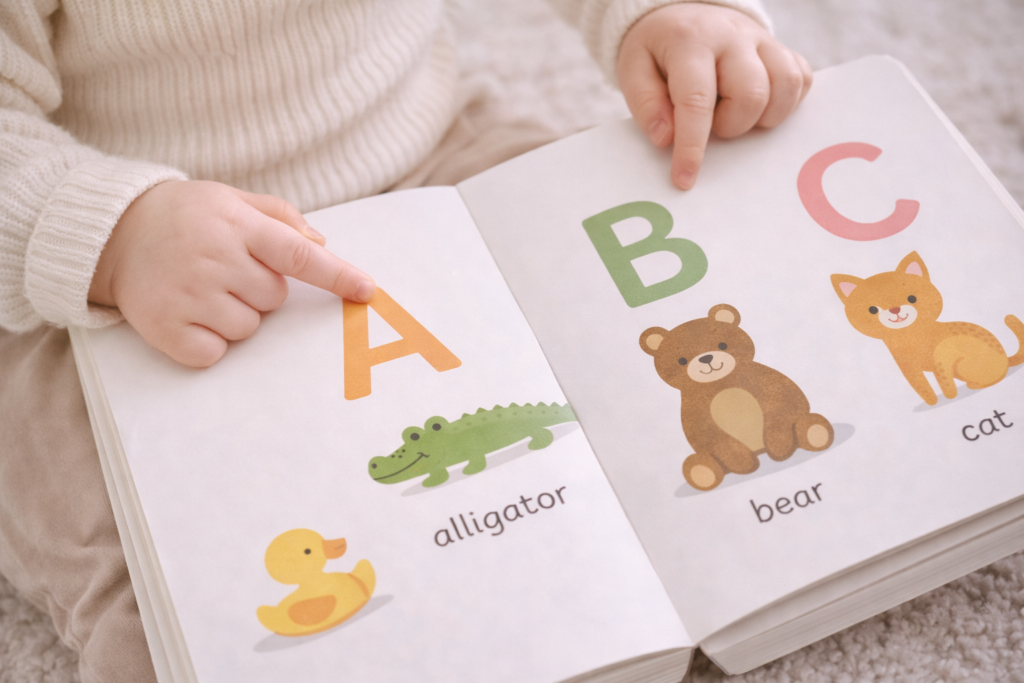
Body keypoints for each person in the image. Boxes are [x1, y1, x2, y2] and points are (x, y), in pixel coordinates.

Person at [0, 1, 812, 681]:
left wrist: (672, 14)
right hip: (117, 268)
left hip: (430, 150)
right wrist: (107, 231)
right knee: (160, 581)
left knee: (615, 329)